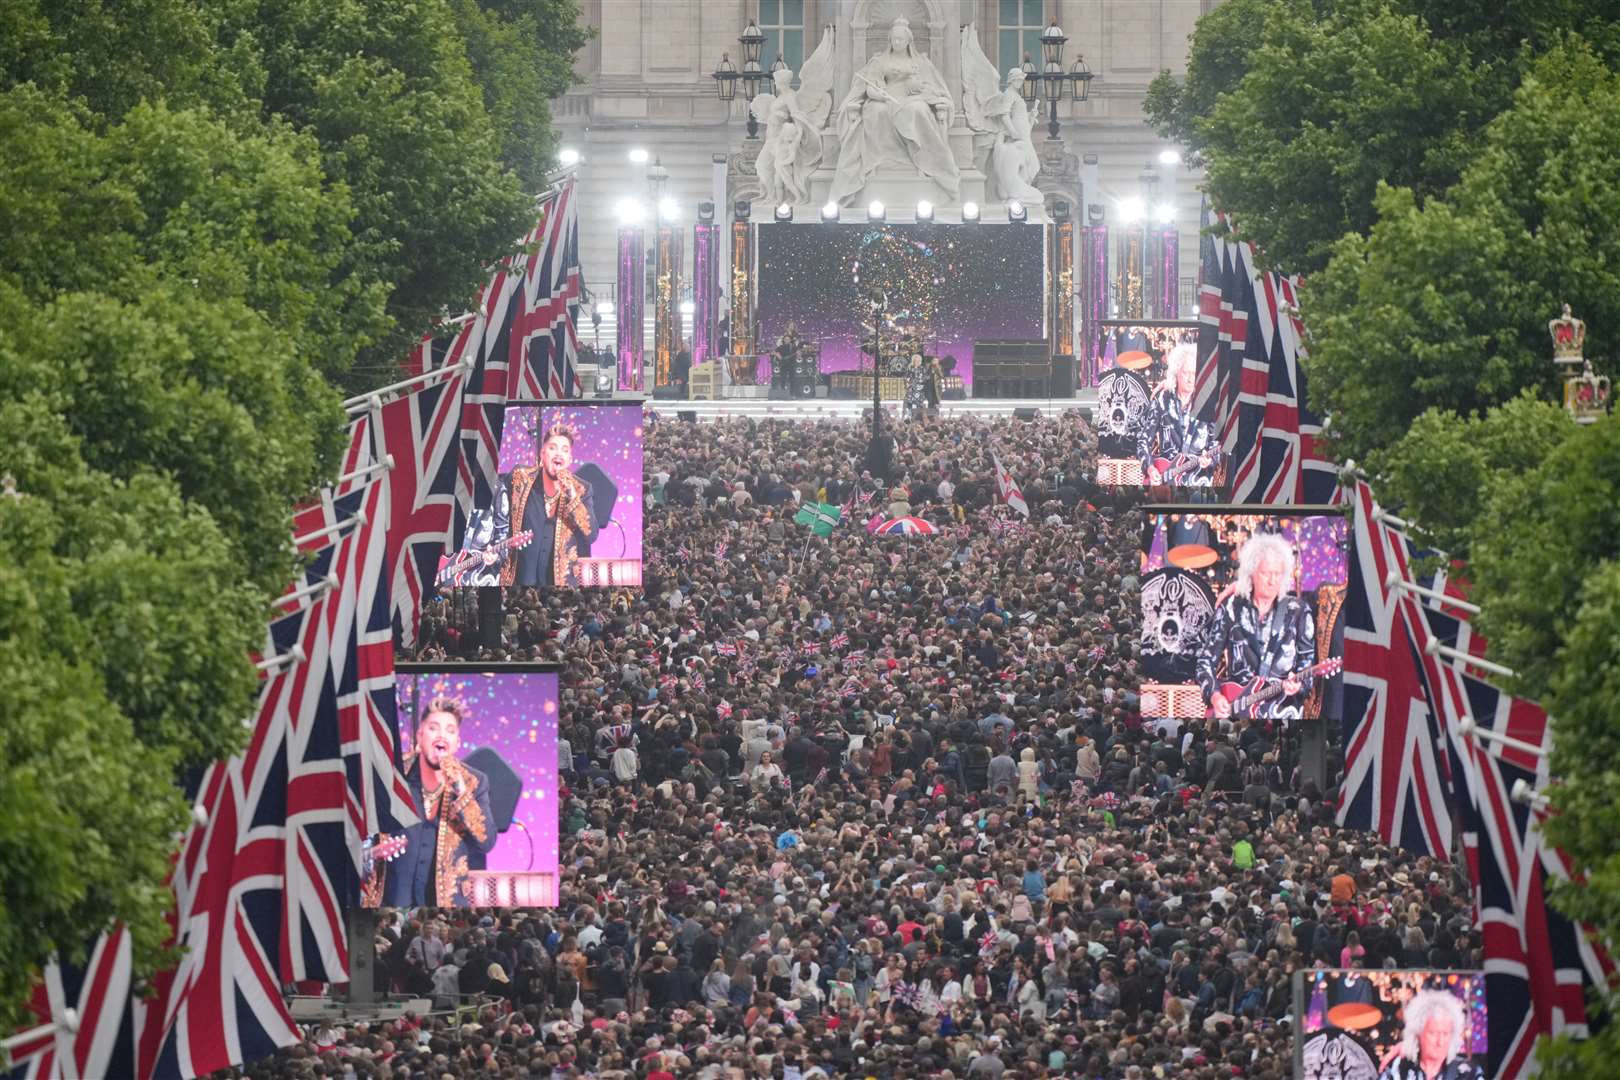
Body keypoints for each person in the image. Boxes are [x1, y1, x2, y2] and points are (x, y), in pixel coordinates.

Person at [374, 697, 496, 907]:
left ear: (457, 742)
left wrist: (461, 791)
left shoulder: (473, 783)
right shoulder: (391, 773)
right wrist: (371, 852)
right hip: (392, 903)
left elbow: (486, 843)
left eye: (449, 730)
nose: (441, 735)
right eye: (433, 728)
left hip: (446, 907)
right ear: (419, 736)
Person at [1196, 532, 1317, 722]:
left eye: (1277, 574)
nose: (1272, 581)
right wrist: (1215, 695)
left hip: (1284, 714)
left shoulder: (1299, 611)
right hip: (1237, 713)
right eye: (1266, 573)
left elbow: (1308, 666)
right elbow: (1205, 662)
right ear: (1251, 573)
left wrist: (1299, 685)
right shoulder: (1231, 608)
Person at [493, 421, 598, 587]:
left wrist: (572, 496)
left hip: (559, 587)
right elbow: (494, 501)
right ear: (542, 454)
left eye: (564, 450)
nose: (558, 454)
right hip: (518, 584)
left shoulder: (582, 490)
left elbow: (591, 535)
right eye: (552, 448)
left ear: (570, 459)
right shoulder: (520, 477)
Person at [1136, 342, 1216, 487]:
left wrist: (1211, 459)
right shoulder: (1162, 400)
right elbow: (1143, 440)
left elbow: (1217, 443)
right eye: (1186, 373)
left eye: (1194, 373)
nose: (1191, 379)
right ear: (1176, 372)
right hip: (1166, 480)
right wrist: (1150, 467)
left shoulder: (1208, 403)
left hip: (1198, 481)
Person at [1377, 988, 1477, 1079]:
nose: (1440, 1042)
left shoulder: (1468, 1073)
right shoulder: (1399, 1069)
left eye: (1446, 1034)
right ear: (1418, 1032)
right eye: (1433, 1033)